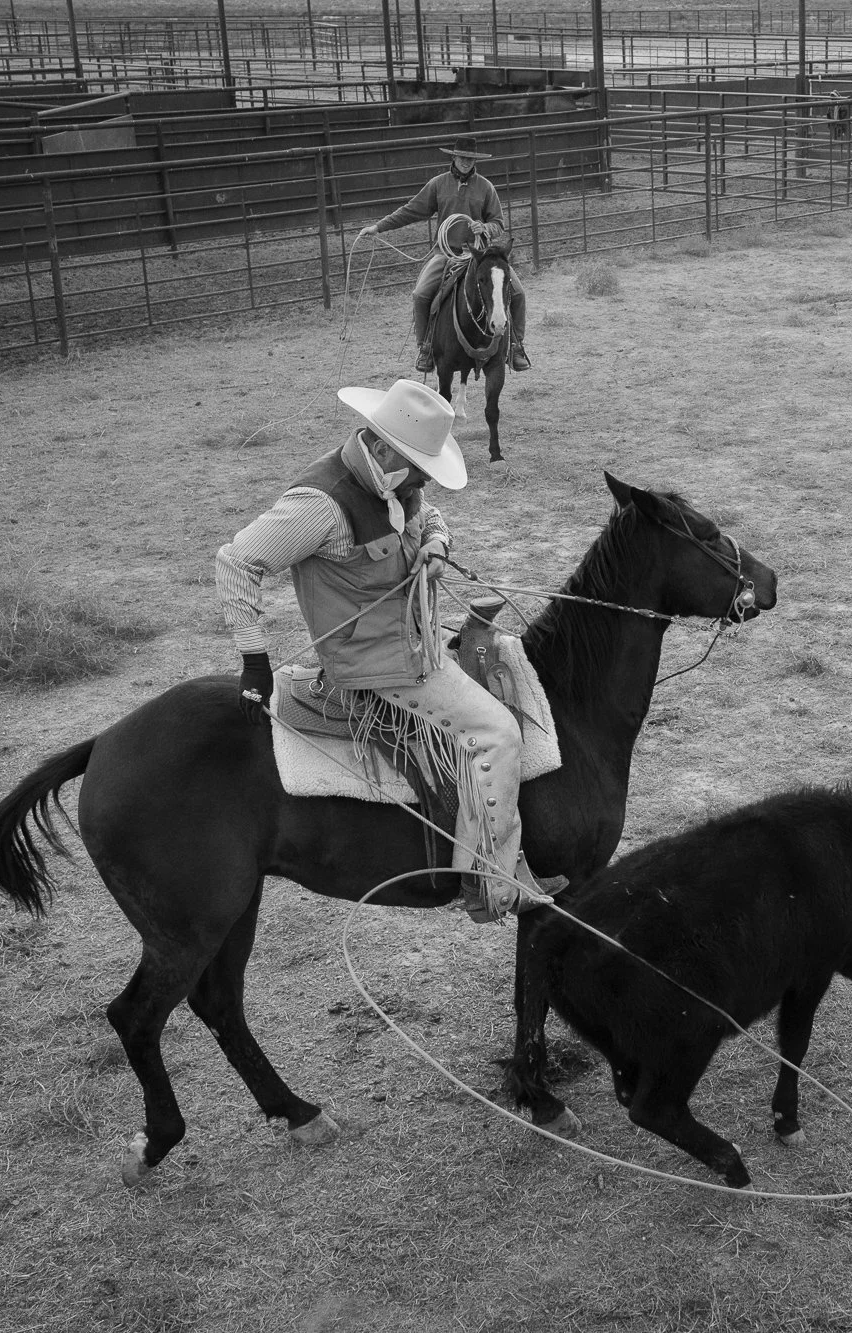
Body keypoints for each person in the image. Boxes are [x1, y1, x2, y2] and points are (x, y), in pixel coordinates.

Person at [218, 378, 547, 920]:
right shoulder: (319, 507)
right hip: (375, 663)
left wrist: (437, 544)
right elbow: (235, 562)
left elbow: (425, 516)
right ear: (386, 447)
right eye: (420, 465)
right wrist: (254, 659)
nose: (424, 478)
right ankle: (488, 885)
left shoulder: (393, 482)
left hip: (410, 640)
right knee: (496, 733)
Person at [357, 137, 531, 377]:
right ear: (454, 157)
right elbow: (411, 210)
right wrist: (378, 227)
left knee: (518, 293)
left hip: (480, 255)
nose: (466, 162)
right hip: (446, 253)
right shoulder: (438, 185)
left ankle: (515, 346)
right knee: (421, 294)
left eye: (470, 159)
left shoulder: (486, 187)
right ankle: (426, 347)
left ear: (475, 160)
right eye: (462, 158)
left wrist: (486, 228)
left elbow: (498, 223)